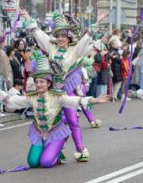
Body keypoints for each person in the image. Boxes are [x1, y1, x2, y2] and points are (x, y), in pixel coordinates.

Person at [0, 55, 110, 168]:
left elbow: (75, 101)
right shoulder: (32, 97)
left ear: (49, 83)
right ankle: (49, 149)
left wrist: (95, 100)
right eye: (37, 82)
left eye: (42, 82)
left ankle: (57, 150)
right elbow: (11, 100)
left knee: (45, 163)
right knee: (33, 163)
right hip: (39, 133)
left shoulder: (57, 96)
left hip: (56, 132)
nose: (39, 84)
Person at [21, 10, 99, 161]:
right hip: (51, 93)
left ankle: (80, 150)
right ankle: (56, 150)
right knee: (51, 123)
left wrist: (93, 28)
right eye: (58, 36)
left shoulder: (74, 50)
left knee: (71, 121)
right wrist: (30, 19)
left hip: (66, 91)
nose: (60, 39)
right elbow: (39, 35)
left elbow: (84, 42)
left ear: (69, 38)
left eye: (63, 36)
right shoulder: (52, 48)